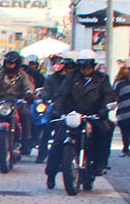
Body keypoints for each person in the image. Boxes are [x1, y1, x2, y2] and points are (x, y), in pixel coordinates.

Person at [49, 50, 114, 186]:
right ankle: (51, 171)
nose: (86, 69)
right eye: (83, 66)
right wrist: (57, 109)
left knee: (105, 131)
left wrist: (104, 109)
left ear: (94, 65)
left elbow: (109, 95)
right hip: (73, 115)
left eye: (88, 66)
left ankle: (100, 164)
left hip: (94, 115)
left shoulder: (102, 78)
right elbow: (63, 95)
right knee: (58, 140)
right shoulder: (71, 77)